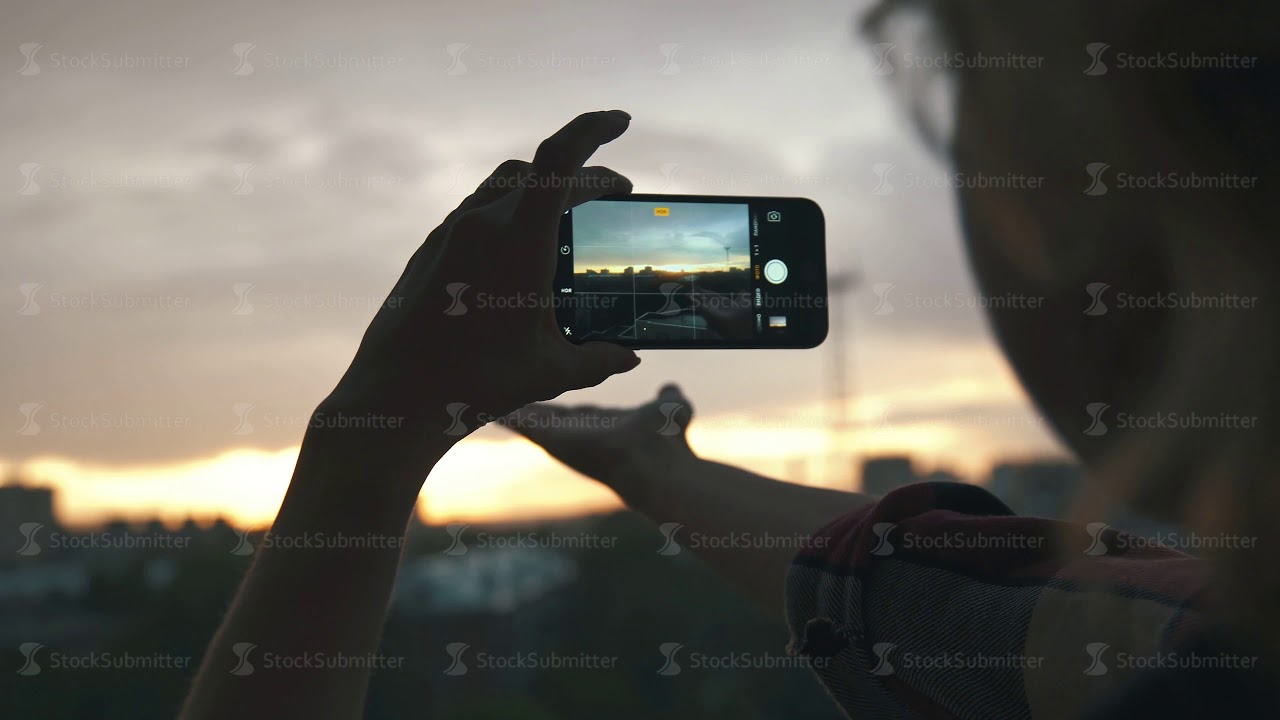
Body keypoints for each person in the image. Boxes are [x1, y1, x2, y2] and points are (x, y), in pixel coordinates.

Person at [179, 3, 1278, 718]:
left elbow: (957, 607)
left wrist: (367, 445)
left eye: (969, 128)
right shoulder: (1207, 647)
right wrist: (653, 466)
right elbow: (931, 595)